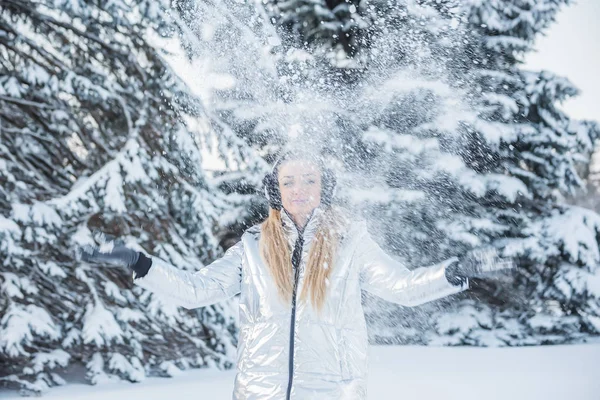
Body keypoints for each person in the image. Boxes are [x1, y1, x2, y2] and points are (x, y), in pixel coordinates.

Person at [79, 148, 513, 400]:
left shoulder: (351, 240)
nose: (300, 190)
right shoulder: (251, 246)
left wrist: (453, 273)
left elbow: (399, 287)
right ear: (276, 191)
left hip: (332, 391)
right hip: (258, 392)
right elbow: (198, 289)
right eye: (289, 181)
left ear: (325, 188)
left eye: (310, 179)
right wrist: (140, 262)